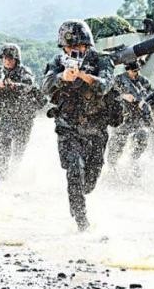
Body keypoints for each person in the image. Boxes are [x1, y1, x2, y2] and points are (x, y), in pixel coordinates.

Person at [42, 20, 119, 231]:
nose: (74, 51)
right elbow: (45, 86)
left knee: (90, 181)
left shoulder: (102, 60)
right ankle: (81, 221)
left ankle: (79, 198)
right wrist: (62, 76)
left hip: (96, 128)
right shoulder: (58, 61)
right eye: (69, 48)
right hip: (68, 127)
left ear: (87, 45)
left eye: (78, 47)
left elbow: (105, 86)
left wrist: (83, 76)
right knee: (74, 170)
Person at [0, 43, 44, 179]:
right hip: (7, 114)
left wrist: (14, 85)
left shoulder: (24, 72)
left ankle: (14, 171)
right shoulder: (0, 72)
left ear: (16, 60)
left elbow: (29, 86)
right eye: (5, 58)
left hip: (24, 115)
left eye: (10, 59)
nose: (7, 61)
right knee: (4, 141)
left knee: (19, 146)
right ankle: (3, 169)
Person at [107, 60, 153, 172]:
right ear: (127, 70)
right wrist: (123, 96)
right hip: (122, 117)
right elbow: (108, 95)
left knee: (143, 136)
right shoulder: (118, 80)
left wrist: (144, 102)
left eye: (137, 71)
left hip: (139, 117)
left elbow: (149, 95)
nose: (135, 74)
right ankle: (112, 165)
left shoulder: (143, 81)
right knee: (117, 142)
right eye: (133, 71)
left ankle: (133, 160)